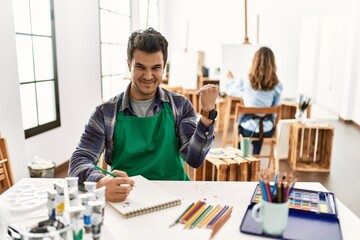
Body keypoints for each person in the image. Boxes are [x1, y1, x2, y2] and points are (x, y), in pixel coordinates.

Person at [69, 28, 218, 202]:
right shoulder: (106, 113)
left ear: (164, 66)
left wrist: (207, 117)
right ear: (129, 65)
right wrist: (101, 182)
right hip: (127, 198)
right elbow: (78, 162)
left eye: (156, 68)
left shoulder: (180, 105)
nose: (148, 76)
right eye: (140, 67)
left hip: (175, 196)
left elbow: (194, 159)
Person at [238, 46, 283, 154]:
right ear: (273, 64)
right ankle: (256, 155)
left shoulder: (245, 81)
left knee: (241, 123)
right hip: (267, 131)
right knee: (264, 121)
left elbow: (230, 89)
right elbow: (274, 109)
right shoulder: (278, 85)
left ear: (254, 62)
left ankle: (241, 154)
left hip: (247, 129)